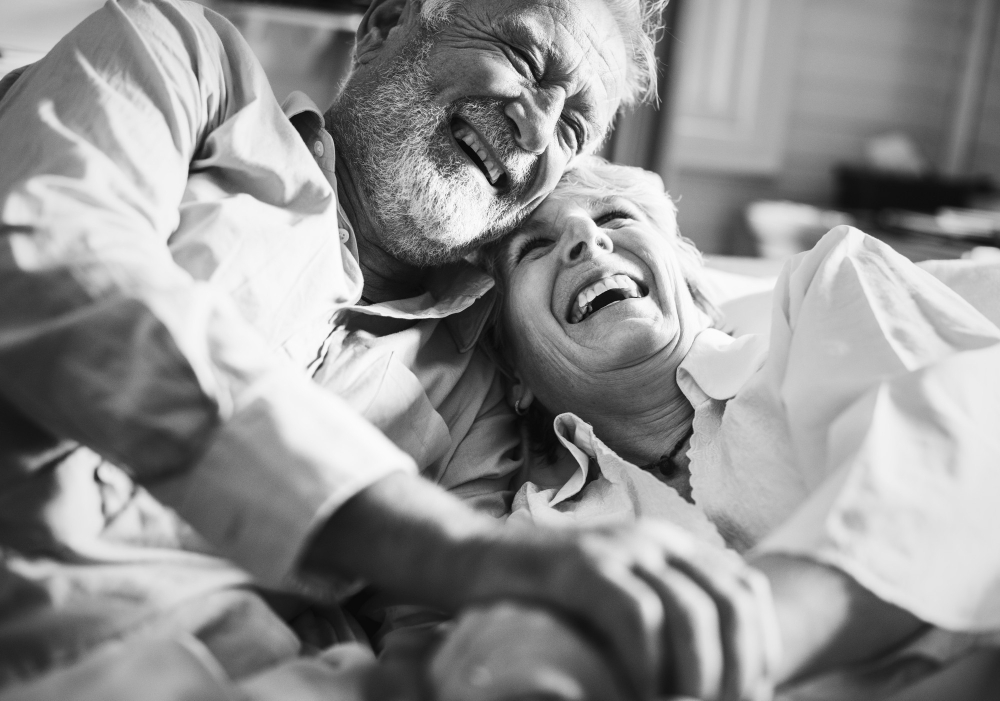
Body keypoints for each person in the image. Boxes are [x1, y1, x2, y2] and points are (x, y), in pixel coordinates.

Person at [0, 0, 776, 699]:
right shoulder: (183, 58)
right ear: (386, 24)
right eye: (527, 60)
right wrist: (458, 552)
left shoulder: (480, 385)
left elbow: (436, 633)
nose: (537, 128)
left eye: (571, 129)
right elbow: (55, 268)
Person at [471, 155, 1000, 696]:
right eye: (533, 246)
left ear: (688, 276)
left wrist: (744, 641)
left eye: (615, 217)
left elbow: (964, 434)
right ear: (514, 368)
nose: (587, 238)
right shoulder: (540, 541)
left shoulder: (827, 289)